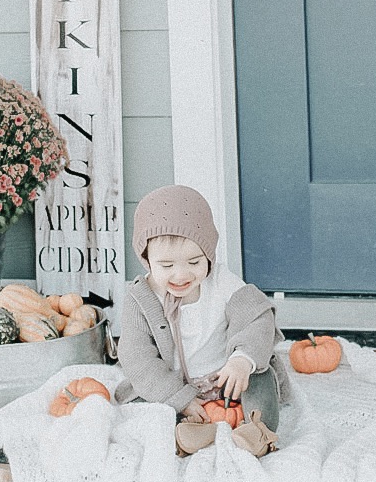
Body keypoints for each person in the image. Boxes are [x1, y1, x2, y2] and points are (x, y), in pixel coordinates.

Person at [115, 184, 284, 456]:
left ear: (209, 254)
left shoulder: (222, 282)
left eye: (194, 262)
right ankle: (188, 432)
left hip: (227, 377)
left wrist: (242, 360)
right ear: (146, 259)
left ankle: (258, 431)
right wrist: (180, 398)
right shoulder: (141, 299)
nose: (181, 275)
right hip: (174, 383)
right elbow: (138, 358)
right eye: (166, 266)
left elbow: (257, 317)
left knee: (261, 378)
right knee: (148, 400)